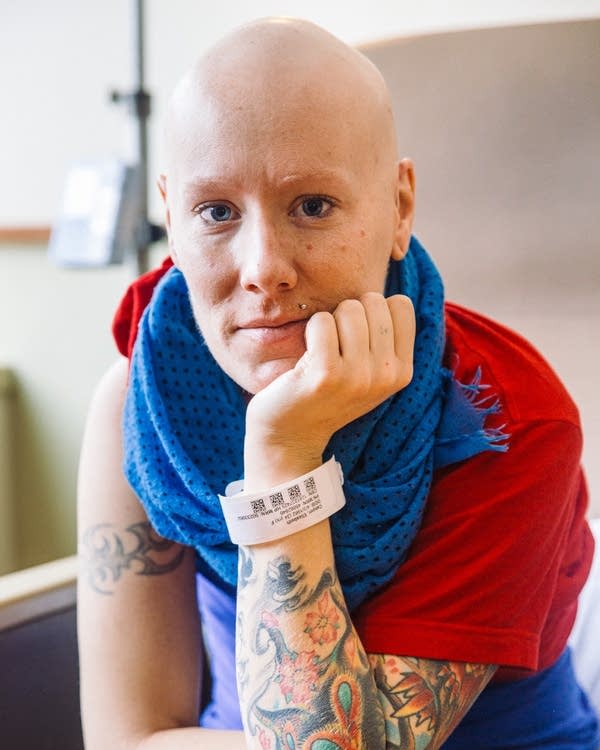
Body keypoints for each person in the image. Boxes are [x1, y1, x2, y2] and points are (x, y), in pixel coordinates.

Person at [77, 17, 599, 750]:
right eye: (216, 212)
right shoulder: (142, 404)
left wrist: (284, 455)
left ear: (400, 208)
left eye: (313, 206)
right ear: (171, 213)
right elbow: (128, 737)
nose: (262, 266)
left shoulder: (507, 421)